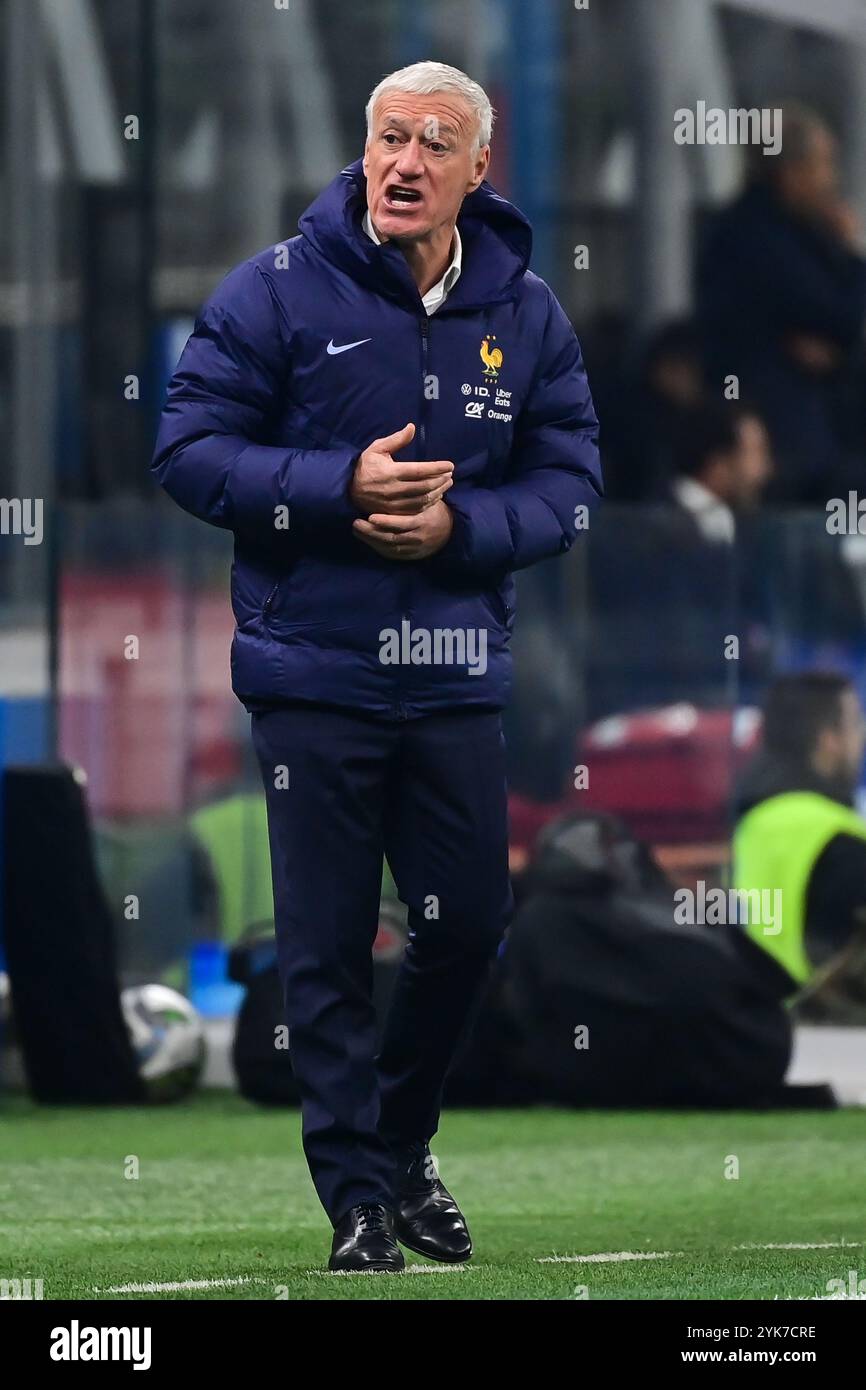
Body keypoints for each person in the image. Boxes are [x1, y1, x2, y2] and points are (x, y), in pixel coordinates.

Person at [151, 60, 601, 1271]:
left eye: (433, 143)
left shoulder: (525, 312)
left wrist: (461, 531)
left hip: (453, 671)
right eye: (388, 138)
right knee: (327, 945)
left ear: (474, 169)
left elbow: (570, 486)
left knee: (468, 931)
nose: (404, 162)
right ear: (362, 152)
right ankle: (353, 1199)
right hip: (313, 672)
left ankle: (400, 1143)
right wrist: (330, 487)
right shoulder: (274, 293)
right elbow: (187, 450)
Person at [697, 104, 866, 502]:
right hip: (779, 435)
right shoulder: (755, 235)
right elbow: (840, 315)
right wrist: (854, 251)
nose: (831, 181)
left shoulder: (802, 232)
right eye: (823, 165)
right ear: (791, 172)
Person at [733, 672, 866, 1003]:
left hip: (766, 1022)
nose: (861, 737)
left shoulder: (754, 822)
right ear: (829, 739)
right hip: (833, 1032)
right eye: (855, 723)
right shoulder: (840, 837)